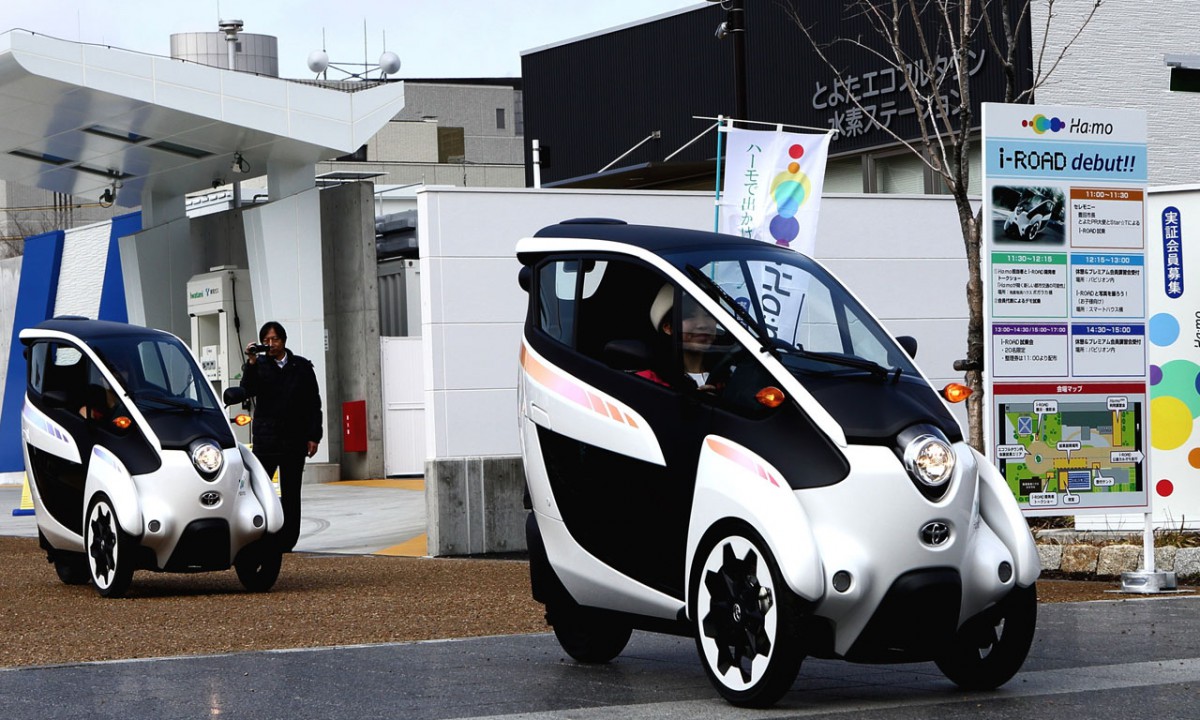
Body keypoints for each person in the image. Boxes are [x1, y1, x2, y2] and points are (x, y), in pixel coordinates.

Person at [240, 321, 323, 552]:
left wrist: (313, 436)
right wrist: (252, 362)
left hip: (294, 439)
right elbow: (247, 390)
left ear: (284, 341)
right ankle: (261, 535)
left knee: (291, 492)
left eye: (274, 339)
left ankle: (287, 541)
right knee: (259, 489)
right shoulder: (259, 364)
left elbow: (313, 404)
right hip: (266, 439)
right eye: (266, 340)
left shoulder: (302, 367)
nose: (270, 344)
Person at [636, 284, 720, 392]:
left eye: (708, 315)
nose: (702, 324)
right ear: (668, 328)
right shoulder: (647, 382)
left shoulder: (731, 376)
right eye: (690, 316)